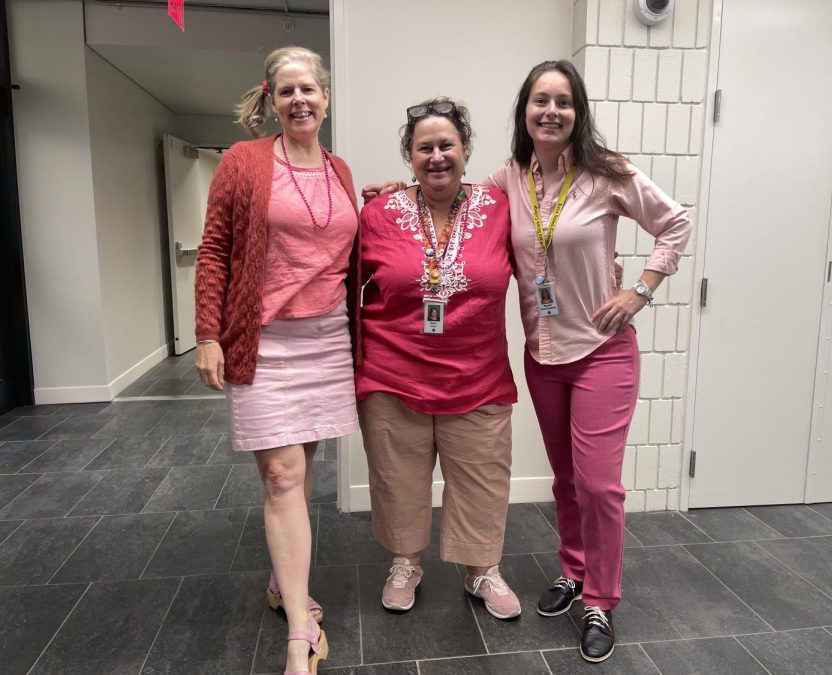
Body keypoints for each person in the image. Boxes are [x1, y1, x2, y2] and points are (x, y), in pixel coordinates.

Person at [483, 60, 692, 663]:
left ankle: (600, 597)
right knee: (566, 479)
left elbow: (674, 222)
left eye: (563, 102)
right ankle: (573, 570)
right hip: (543, 354)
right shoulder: (509, 179)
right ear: (524, 111)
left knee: (599, 485)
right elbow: (461, 207)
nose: (551, 111)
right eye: (540, 101)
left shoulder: (605, 174)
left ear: (578, 113)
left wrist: (641, 291)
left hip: (602, 351)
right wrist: (397, 193)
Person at [195, 46, 360, 675]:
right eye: (287, 90)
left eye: (309, 90)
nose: (299, 100)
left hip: (326, 339)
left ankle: (281, 582)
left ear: (325, 98)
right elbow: (214, 248)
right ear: (271, 97)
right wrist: (208, 331)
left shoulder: (340, 171)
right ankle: (301, 631)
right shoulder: (243, 161)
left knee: (301, 464)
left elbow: (345, 239)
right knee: (282, 477)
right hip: (262, 338)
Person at [355, 97, 522, 621]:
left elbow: (546, 256)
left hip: (480, 375)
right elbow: (343, 284)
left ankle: (481, 568)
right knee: (397, 477)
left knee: (482, 478)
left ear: (466, 151)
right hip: (393, 372)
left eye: (447, 145)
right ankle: (405, 562)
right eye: (423, 147)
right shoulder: (378, 213)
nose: (436, 156)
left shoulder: (500, 207)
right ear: (409, 154)